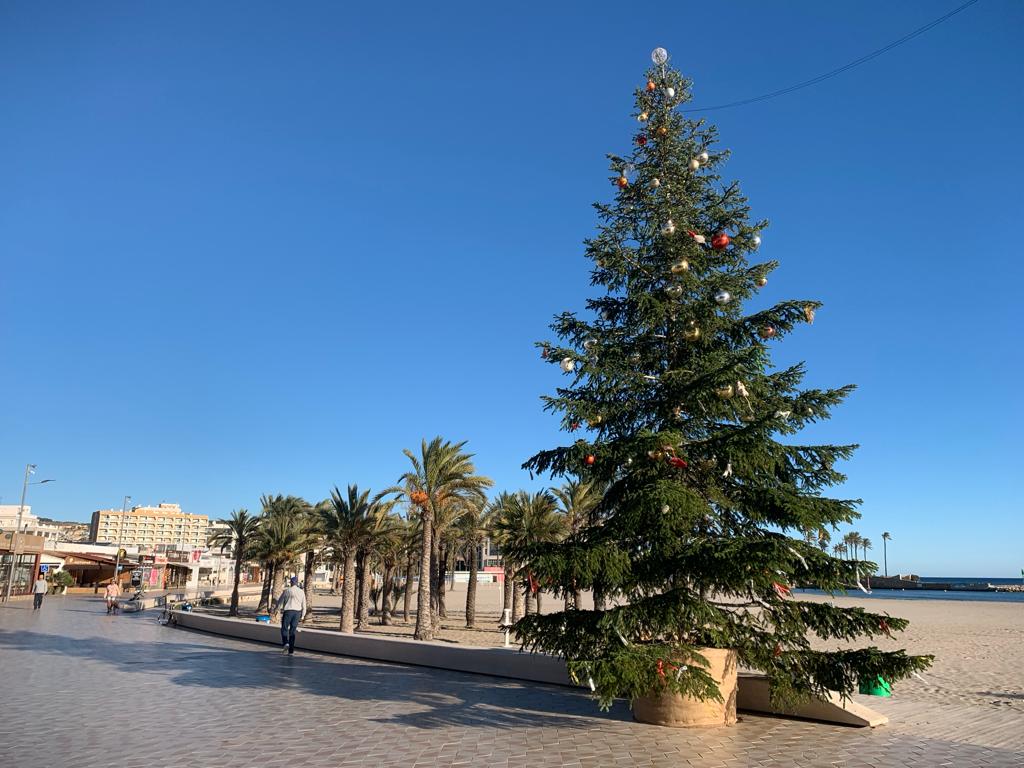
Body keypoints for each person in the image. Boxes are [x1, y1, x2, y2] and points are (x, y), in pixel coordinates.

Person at [274, 576, 306, 655]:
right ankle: (291, 651)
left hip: (288, 612)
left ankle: (286, 643)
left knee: (284, 629)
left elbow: (280, 602)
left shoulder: (287, 591)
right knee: (292, 631)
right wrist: (302, 616)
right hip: (297, 613)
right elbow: (304, 605)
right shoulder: (301, 592)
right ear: (297, 582)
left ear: (291, 582)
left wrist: (276, 610)